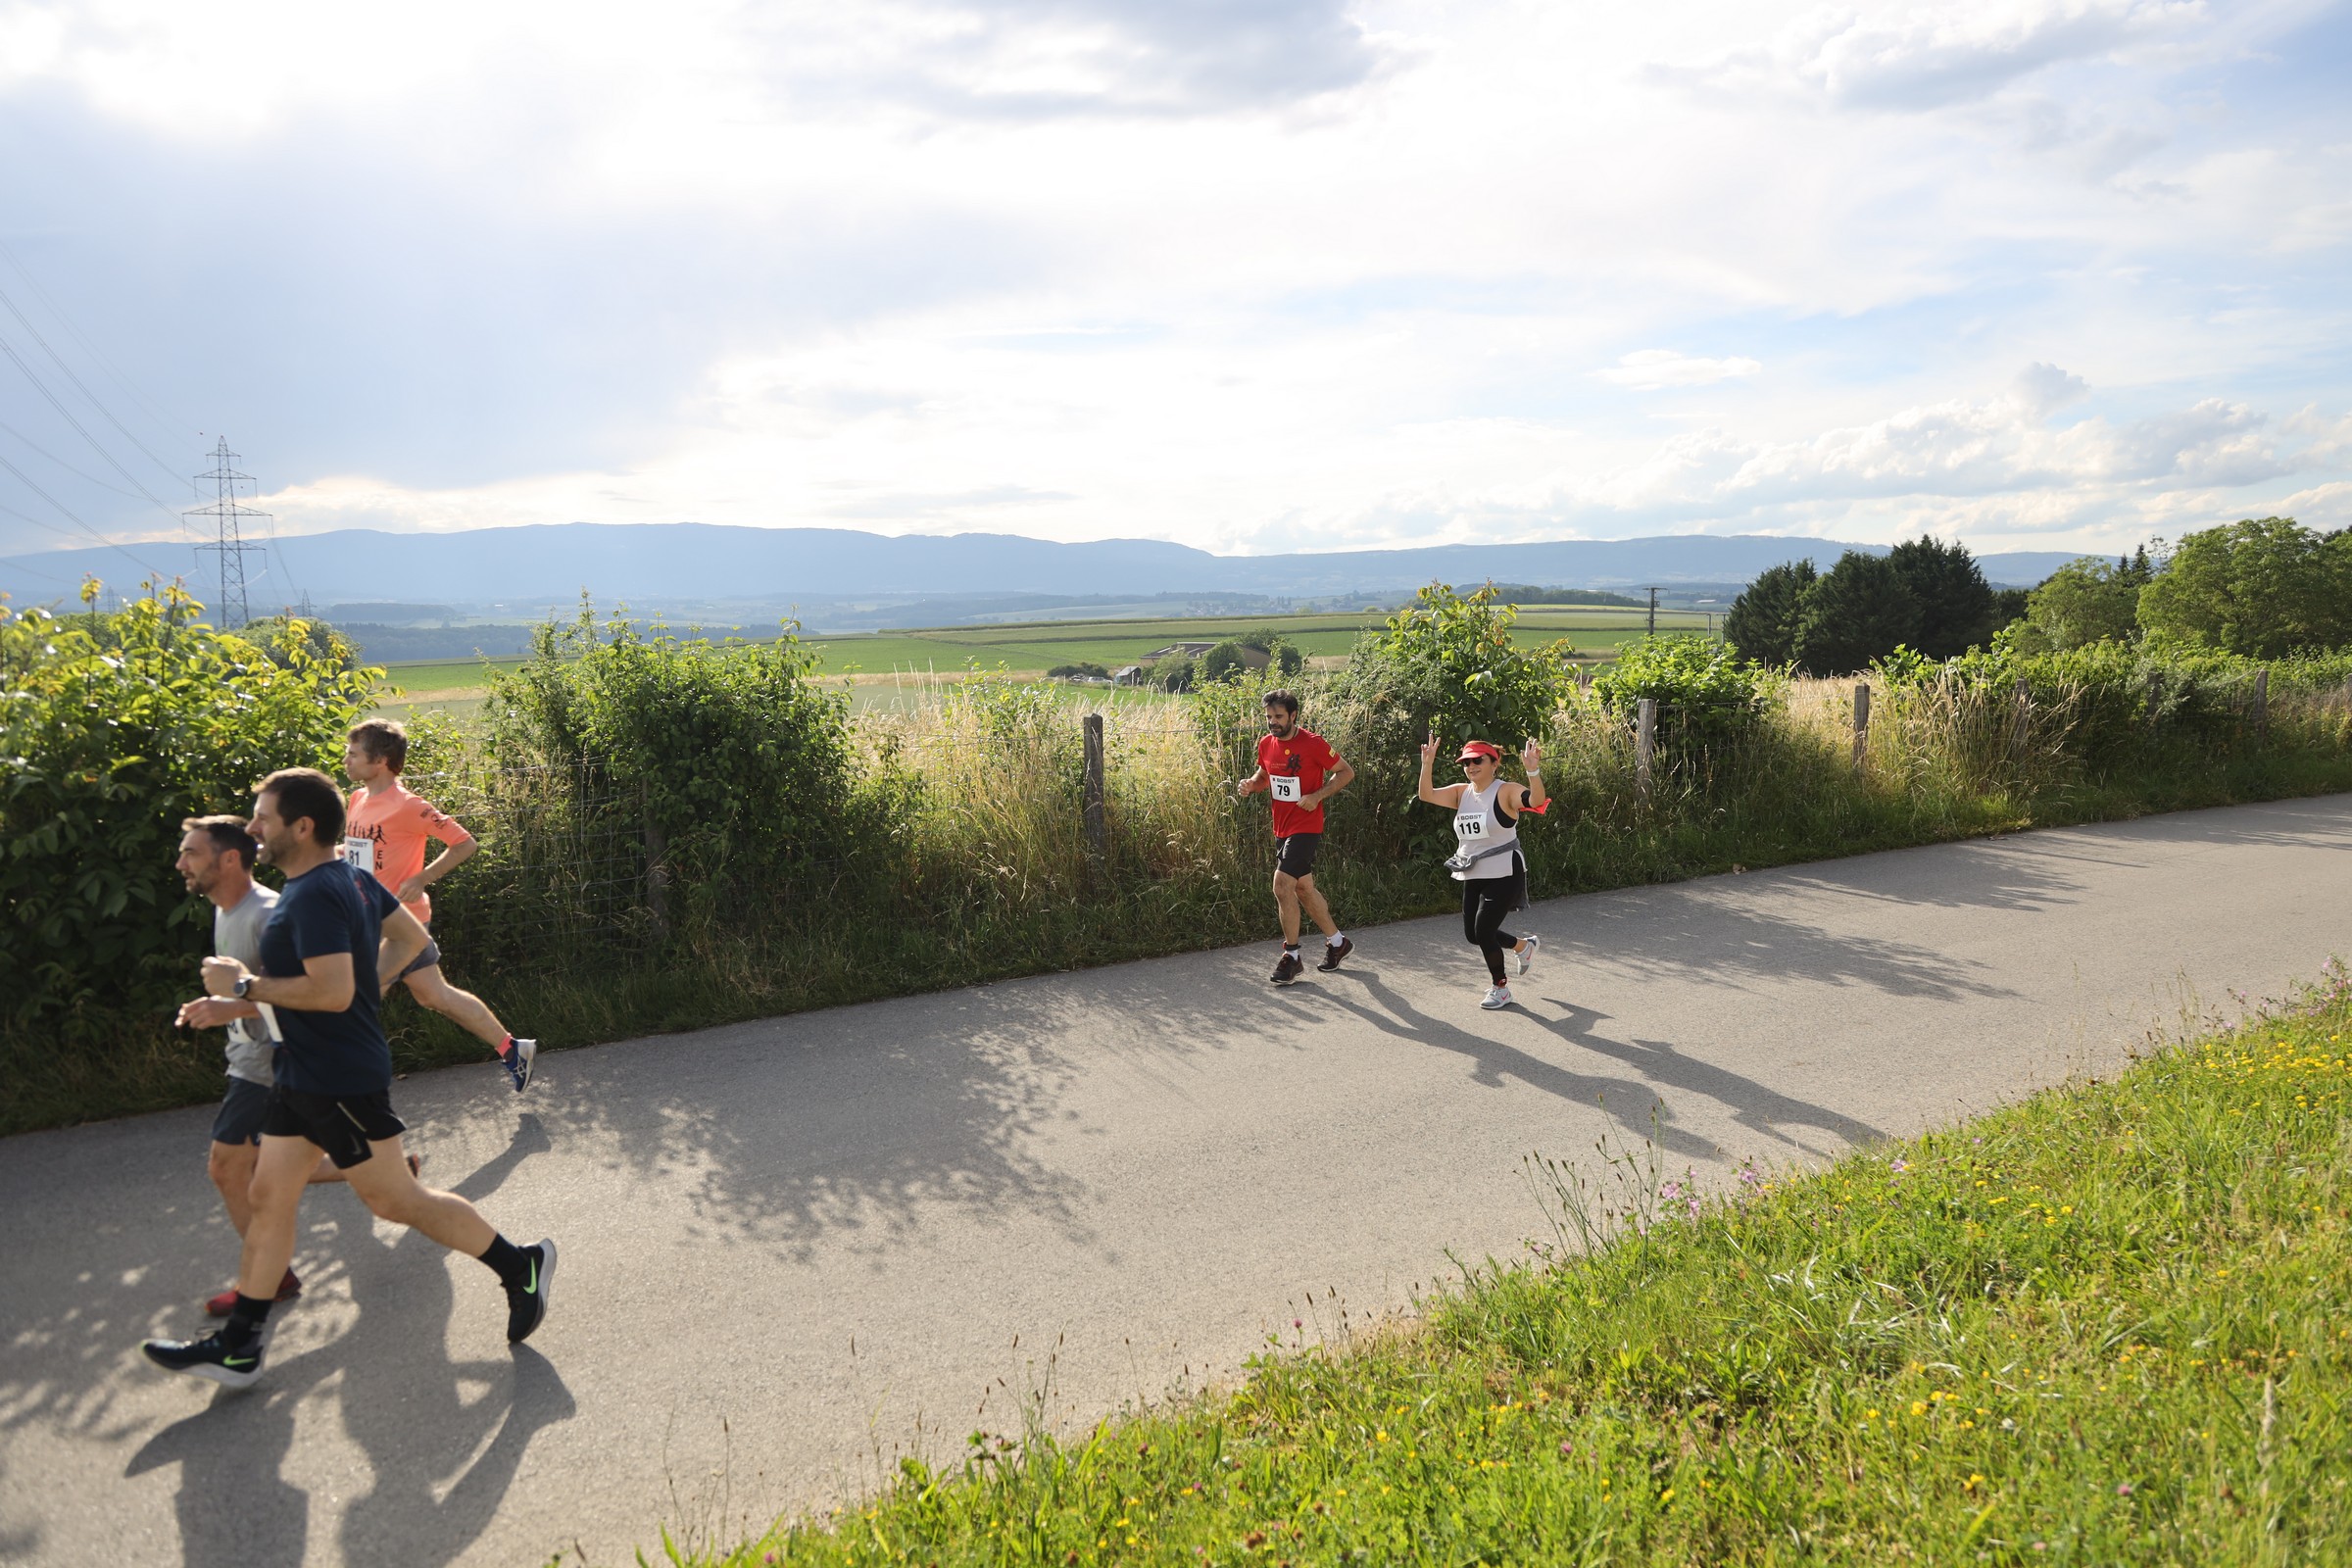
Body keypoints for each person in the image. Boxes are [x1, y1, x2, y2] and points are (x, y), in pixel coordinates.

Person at [141, 767, 556, 1389]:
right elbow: (410, 938)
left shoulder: (311, 895)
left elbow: (332, 993)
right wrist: (363, 987)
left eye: (263, 817)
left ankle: (521, 1266)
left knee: (396, 1201)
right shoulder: (350, 878)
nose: (253, 828)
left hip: (337, 1075)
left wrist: (245, 987)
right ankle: (240, 1346)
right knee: (268, 1197)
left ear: (301, 827)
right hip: (300, 1070)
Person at [172, 816, 423, 1317]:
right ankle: (388, 1174)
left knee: (229, 1167)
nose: (181, 863)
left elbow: (309, 993)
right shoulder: (226, 909)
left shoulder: (269, 913)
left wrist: (231, 1006)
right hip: (252, 1057)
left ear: (229, 859)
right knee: (265, 1168)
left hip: (274, 1062)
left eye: (191, 853)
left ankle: (269, 1282)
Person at [341, 718, 537, 1093]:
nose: (345, 760)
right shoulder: (357, 799)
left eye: (353, 754)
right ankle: (514, 1050)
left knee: (361, 996)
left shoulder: (409, 806)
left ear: (380, 760)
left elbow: (465, 843)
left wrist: (422, 878)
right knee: (434, 996)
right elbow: (360, 853)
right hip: (366, 918)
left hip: (401, 924)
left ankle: (343, 1085)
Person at [1418, 734, 1547, 1009]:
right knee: (1473, 934)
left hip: (1504, 870)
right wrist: (1427, 764)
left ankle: (1501, 988)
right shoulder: (1461, 792)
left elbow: (1536, 800)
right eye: (1466, 762)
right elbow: (1426, 795)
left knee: (1484, 930)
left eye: (1478, 760)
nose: (1471, 766)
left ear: (1494, 763)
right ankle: (1523, 946)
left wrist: (1532, 771)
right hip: (1472, 870)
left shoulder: (1505, 791)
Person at [1236, 690, 1355, 985]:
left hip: (1307, 827)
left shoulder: (1313, 743)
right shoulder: (1266, 743)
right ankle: (1338, 943)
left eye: (1278, 716)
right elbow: (1264, 776)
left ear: (1293, 716)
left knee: (1281, 885)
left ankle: (1292, 956)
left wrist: (1317, 796)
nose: (1272, 722)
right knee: (1303, 889)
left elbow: (1345, 772)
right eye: (1268, 717)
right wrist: (1251, 784)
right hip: (1282, 828)